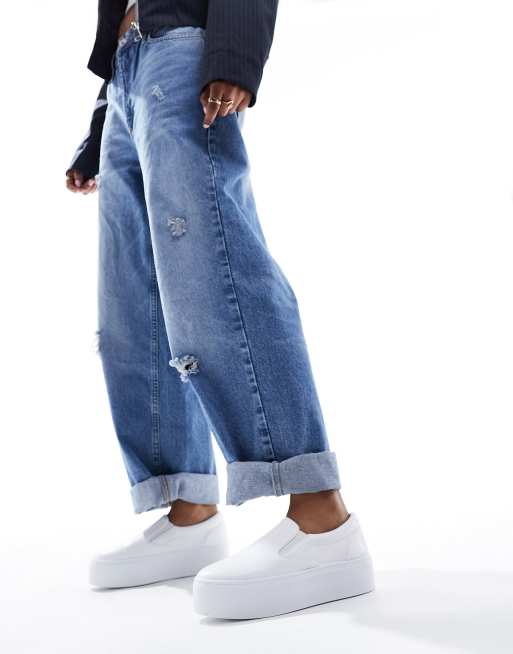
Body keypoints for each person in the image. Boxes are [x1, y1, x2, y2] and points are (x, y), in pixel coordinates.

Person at [65, 0, 374, 619]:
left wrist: (234, 55)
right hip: (126, 70)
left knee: (217, 268)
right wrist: (102, 120)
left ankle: (321, 517)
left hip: (184, 47)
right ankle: (190, 509)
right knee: (133, 304)